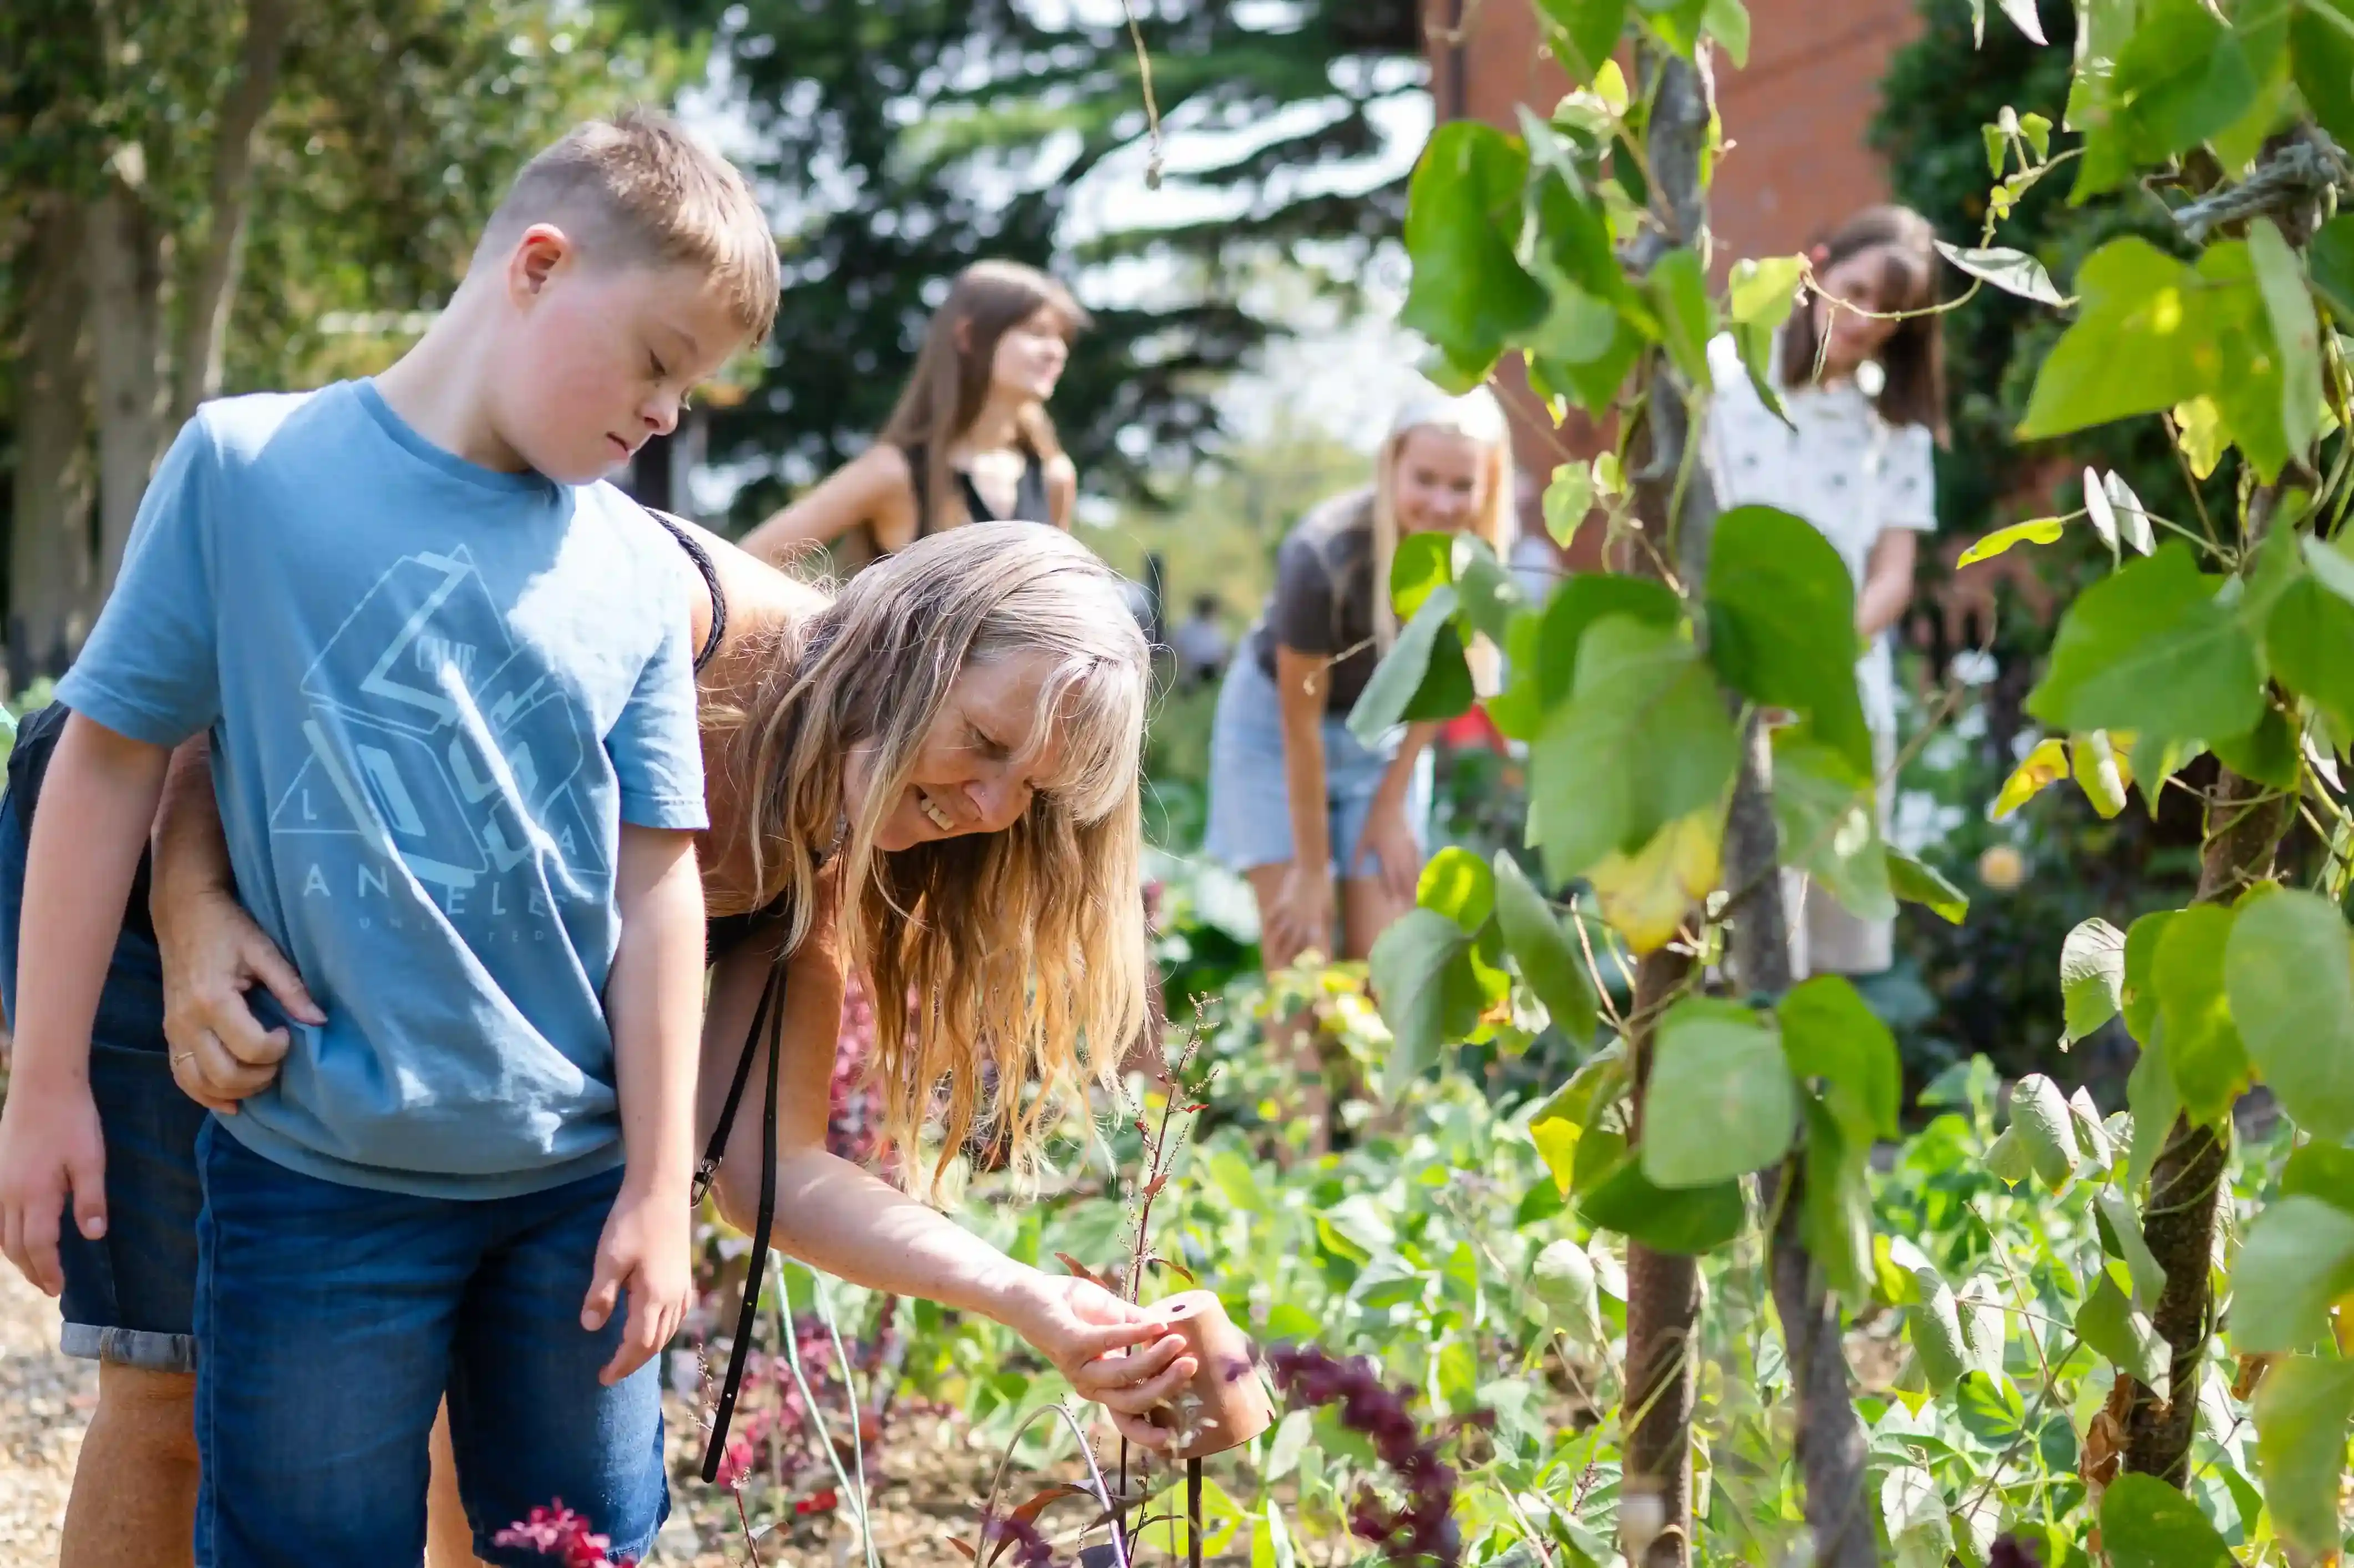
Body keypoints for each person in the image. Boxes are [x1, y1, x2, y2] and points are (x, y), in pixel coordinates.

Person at [13, 517, 1194, 1566]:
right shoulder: (666, 610)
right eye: (985, 743)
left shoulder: (819, 858)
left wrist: (1033, 1300)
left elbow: (769, 1172)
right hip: (153, 819)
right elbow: (284, 642)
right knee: (183, 1379)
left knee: (477, 1395)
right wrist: (191, 897)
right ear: (912, 643)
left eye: (1029, 793)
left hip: (362, 941)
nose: (988, 808)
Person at [0, 110, 771, 1567]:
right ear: (538, 266)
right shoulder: (250, 467)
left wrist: (660, 1190)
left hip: (569, 1192)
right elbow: (107, 763)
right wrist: (43, 1088)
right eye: (661, 364)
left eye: (695, 390)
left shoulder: (632, 567)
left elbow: (657, 880)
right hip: (315, 1185)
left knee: (579, 1547)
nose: (669, 416)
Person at [1201, 388, 1515, 1075]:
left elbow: (1445, 682)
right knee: (1300, 955)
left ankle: (1383, 1146)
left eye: (1461, 484)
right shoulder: (1322, 555)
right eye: (1424, 479)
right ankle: (1301, 1156)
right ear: (1391, 468)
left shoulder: (1479, 560)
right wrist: (1313, 870)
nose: (1440, 502)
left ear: (1488, 483)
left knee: (1383, 956)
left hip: (1385, 740)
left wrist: (1390, 806)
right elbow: (1299, 726)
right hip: (1275, 738)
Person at [1700, 202, 1944, 978]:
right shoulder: (1726, 373)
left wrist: (1813, 665)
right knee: (1721, 940)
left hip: (1835, 701)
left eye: (1891, 311)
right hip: (1721, 686)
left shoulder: (1893, 430)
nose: (1867, 318)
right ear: (1816, 266)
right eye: (1858, 289)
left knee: (1823, 958)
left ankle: (1808, 1100)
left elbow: (1894, 578)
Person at [737, 260, 1083, 567]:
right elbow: (748, 560)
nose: (1057, 352)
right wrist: (836, 628)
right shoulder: (896, 471)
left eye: (1061, 338)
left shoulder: (1054, 477)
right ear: (969, 336)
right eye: (1037, 333)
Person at [1171, 593, 1232, 689]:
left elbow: (1223, 649)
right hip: (1195, 665)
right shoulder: (1189, 627)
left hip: (1212, 664)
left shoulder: (1216, 627)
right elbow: (1178, 648)